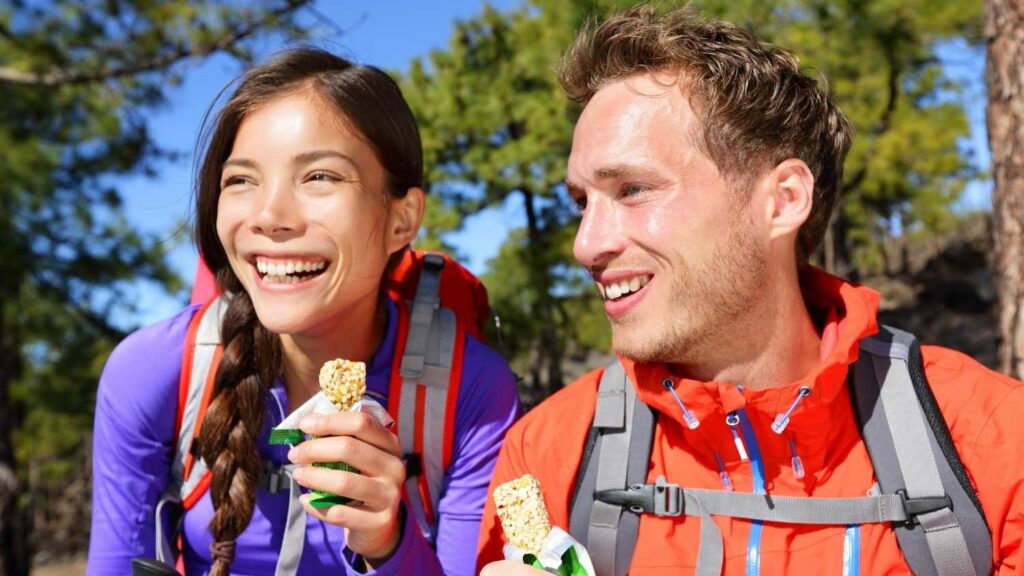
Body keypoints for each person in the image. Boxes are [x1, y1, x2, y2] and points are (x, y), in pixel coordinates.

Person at [477, 6, 1024, 575]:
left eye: (634, 188)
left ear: (783, 200)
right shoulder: (546, 453)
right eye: (581, 202)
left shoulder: (994, 442)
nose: (586, 245)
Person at [86, 48, 521, 576]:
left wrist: (388, 542)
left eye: (319, 177)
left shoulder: (469, 390)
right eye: (241, 180)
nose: (269, 216)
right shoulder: (154, 372)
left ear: (402, 220)